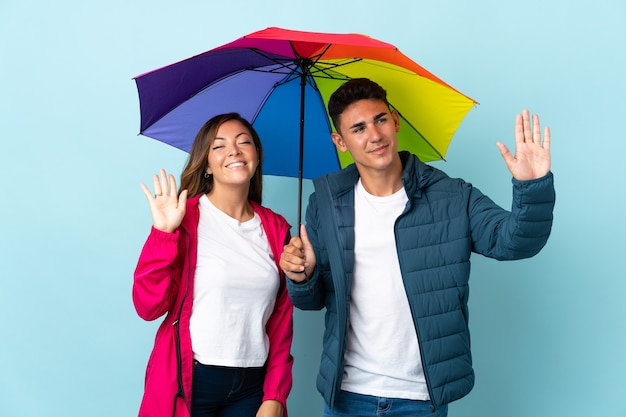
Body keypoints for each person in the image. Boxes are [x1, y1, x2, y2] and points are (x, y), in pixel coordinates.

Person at [279, 78, 555, 417]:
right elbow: (313, 300)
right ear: (341, 142)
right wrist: (302, 276)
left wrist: (531, 186)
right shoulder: (325, 203)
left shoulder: (453, 196)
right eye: (359, 128)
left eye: (380, 119)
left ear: (395, 121)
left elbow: (513, 242)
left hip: (421, 399)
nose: (375, 135)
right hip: (347, 396)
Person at [133, 113, 293, 417]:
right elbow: (148, 307)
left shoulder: (276, 229)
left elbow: (282, 321)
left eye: (244, 142)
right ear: (206, 164)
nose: (234, 150)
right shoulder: (185, 218)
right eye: (219, 146)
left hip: (252, 387)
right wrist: (163, 234)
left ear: (256, 156)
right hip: (192, 380)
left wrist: (275, 396)